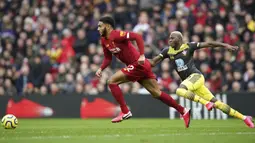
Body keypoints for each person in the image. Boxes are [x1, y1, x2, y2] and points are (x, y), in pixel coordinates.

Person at [96, 16, 193, 127]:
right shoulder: (104, 40)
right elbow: (108, 58)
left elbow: (137, 36)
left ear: (108, 26)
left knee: (112, 81)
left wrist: (142, 55)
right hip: (140, 66)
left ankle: (125, 111)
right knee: (157, 93)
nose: (98, 28)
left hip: (138, 64)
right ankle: (183, 110)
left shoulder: (116, 35)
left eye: (100, 26)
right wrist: (101, 68)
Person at [149, 31, 254, 128]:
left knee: (179, 90)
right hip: (191, 84)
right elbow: (153, 62)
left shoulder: (189, 46)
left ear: (179, 40)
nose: (170, 40)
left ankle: (206, 103)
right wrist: (138, 59)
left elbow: (209, 44)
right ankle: (244, 118)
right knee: (218, 104)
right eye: (169, 38)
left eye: (172, 38)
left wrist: (225, 45)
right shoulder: (167, 51)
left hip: (196, 76)